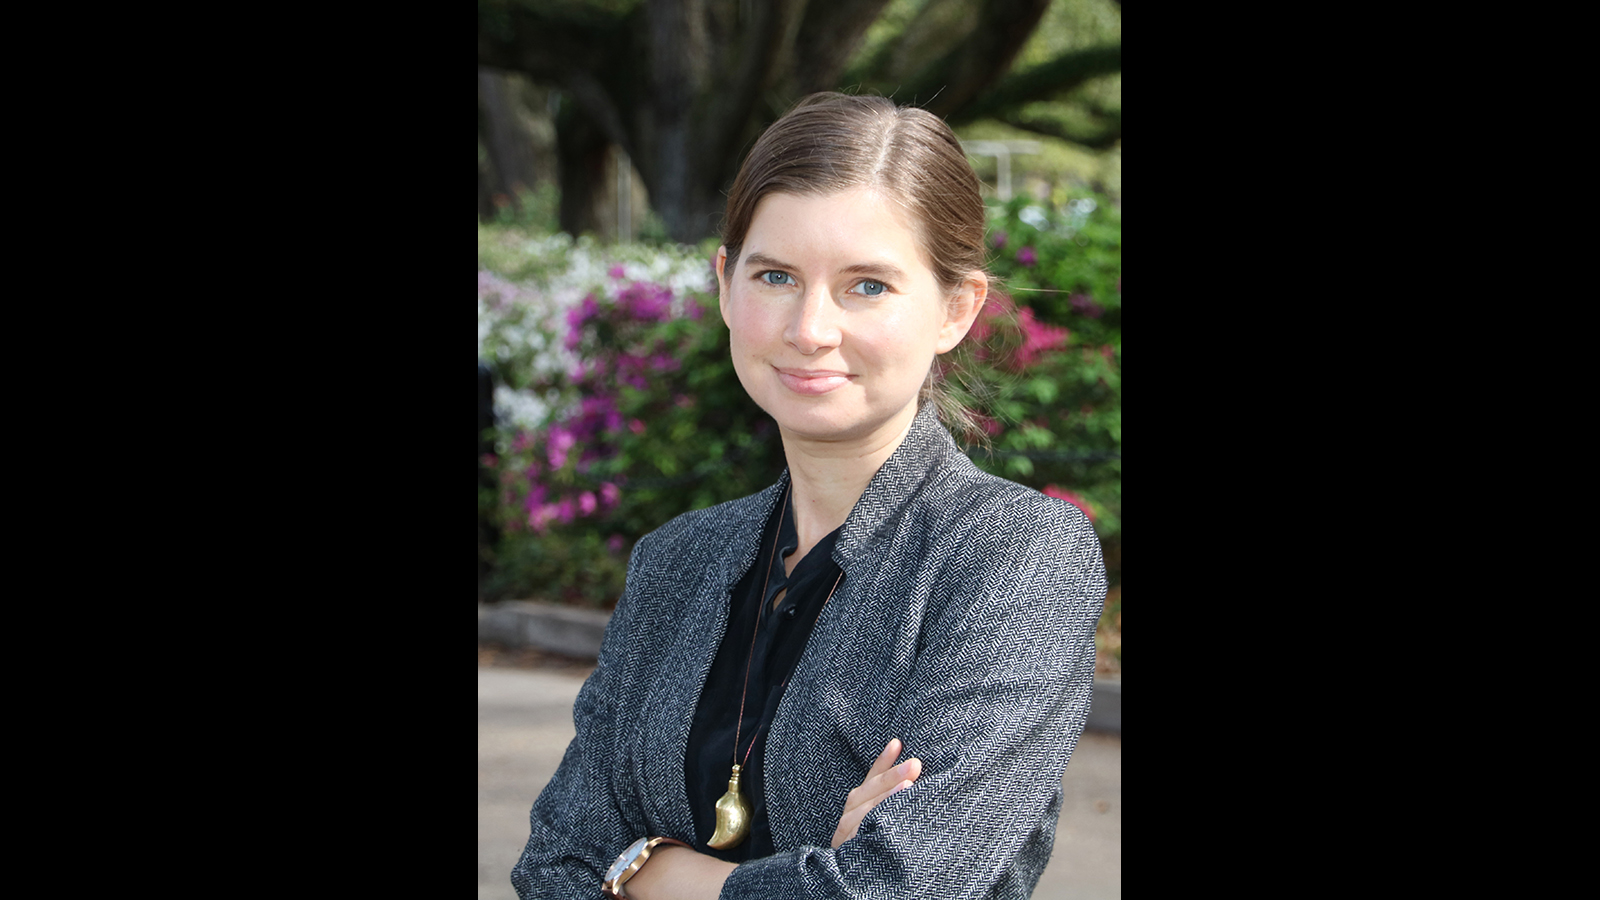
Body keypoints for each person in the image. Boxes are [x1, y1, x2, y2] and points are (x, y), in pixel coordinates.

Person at [512, 92, 1106, 900]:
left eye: (868, 286)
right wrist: (819, 874)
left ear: (956, 309)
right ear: (726, 286)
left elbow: (905, 887)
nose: (810, 328)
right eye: (776, 276)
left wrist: (652, 872)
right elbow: (553, 866)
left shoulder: (1014, 558)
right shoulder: (675, 562)